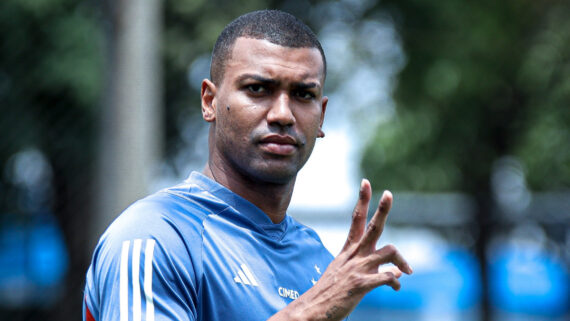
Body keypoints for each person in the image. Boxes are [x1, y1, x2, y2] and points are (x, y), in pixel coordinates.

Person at [83, 9, 412, 321]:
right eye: (258, 89)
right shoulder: (155, 238)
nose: (283, 114)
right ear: (210, 102)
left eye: (302, 95)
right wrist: (311, 311)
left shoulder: (317, 260)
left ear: (322, 116)